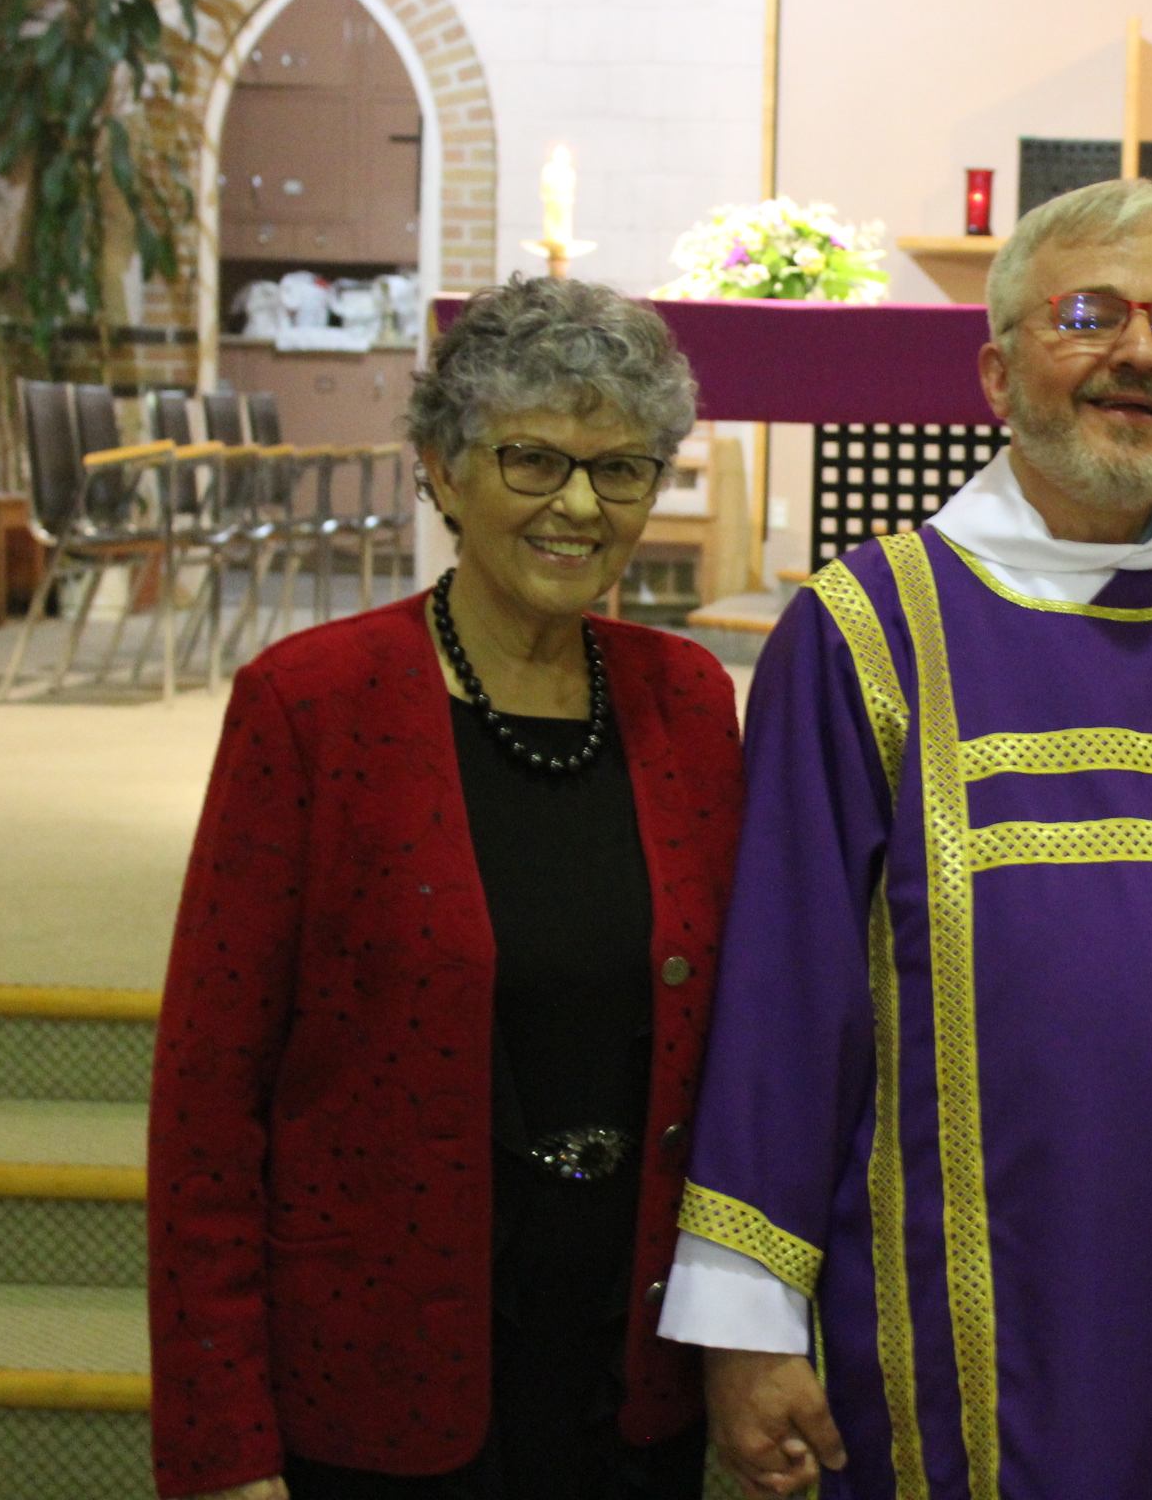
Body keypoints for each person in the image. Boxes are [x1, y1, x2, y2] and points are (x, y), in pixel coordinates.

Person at [664, 178, 1152, 1500]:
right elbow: (789, 993)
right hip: (932, 1338)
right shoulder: (866, 630)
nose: (1139, 352)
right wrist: (745, 1316)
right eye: (1089, 315)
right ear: (997, 373)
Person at [149, 277, 742, 1500]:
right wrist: (221, 1447)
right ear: (442, 466)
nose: (579, 505)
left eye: (622, 469)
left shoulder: (687, 701)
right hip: (383, 1386)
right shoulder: (309, 706)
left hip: (624, 1381)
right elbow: (207, 1104)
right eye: (533, 460)